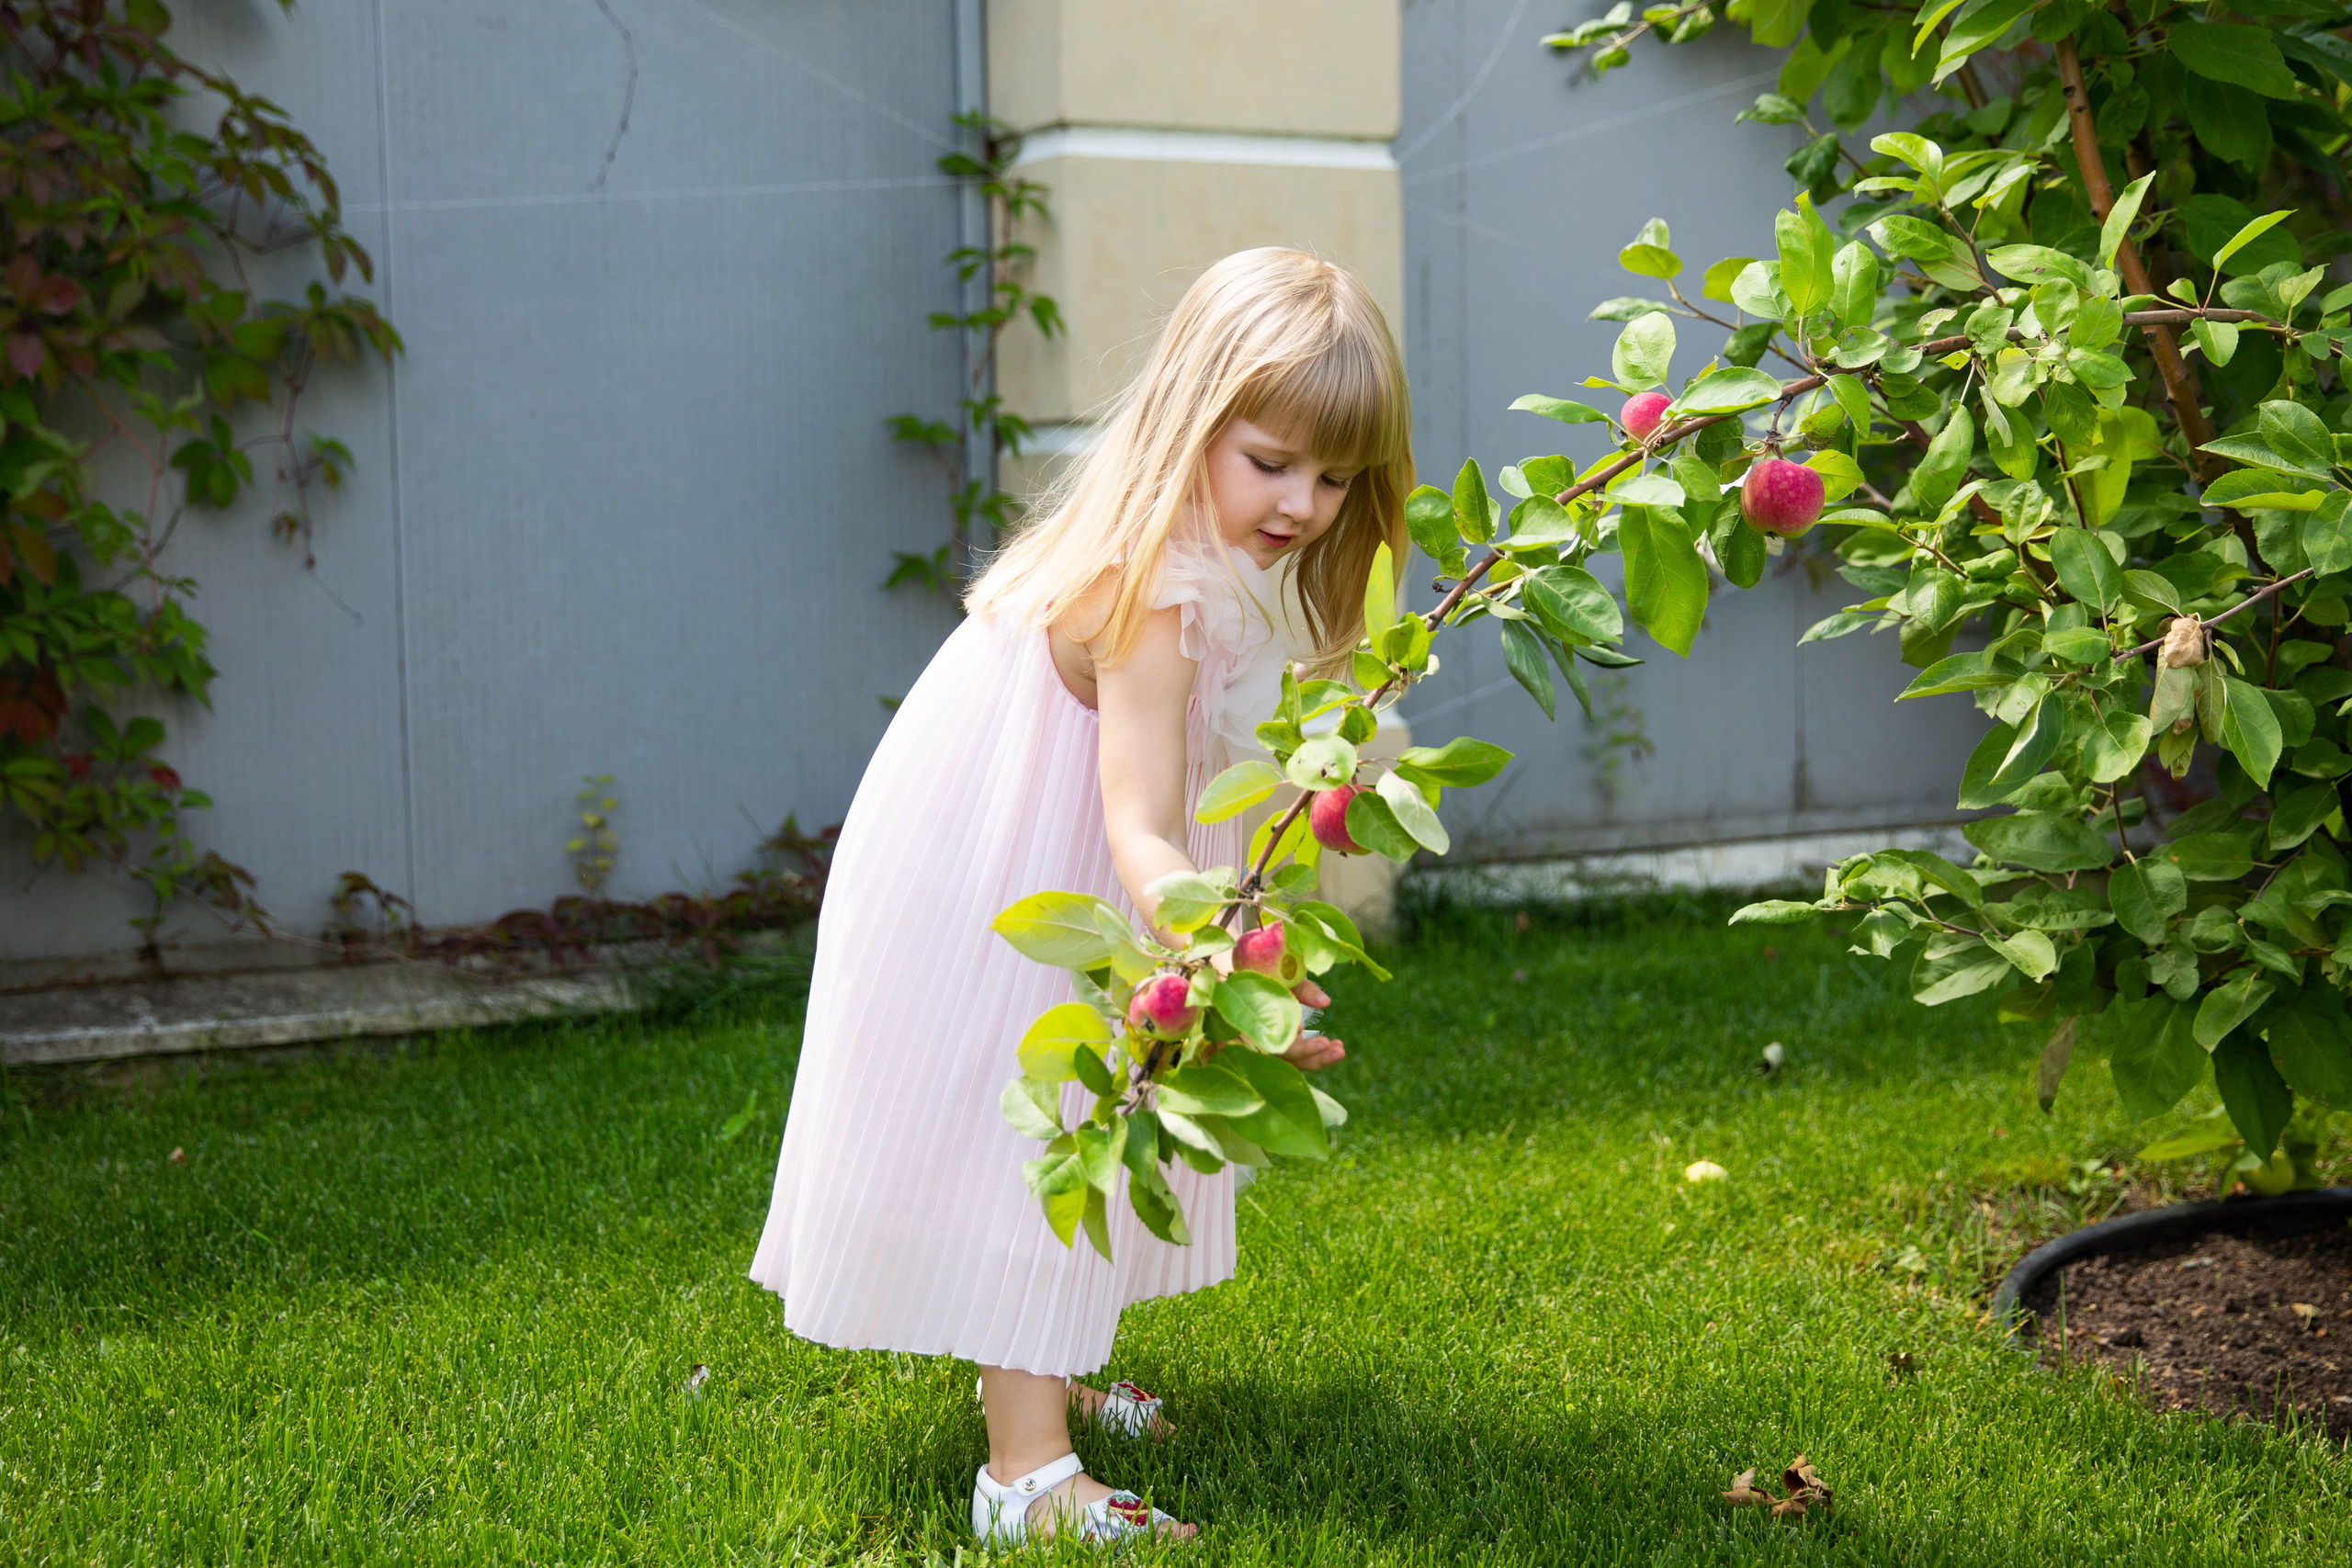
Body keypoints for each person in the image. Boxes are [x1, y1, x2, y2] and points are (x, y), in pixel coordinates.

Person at [748, 247, 1413, 1544]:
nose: (1304, 502)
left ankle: (1046, 1367)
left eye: (1334, 477)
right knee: (1043, 1133)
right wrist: (1240, 961)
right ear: (1192, 418)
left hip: (1033, 845)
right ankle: (1026, 1480)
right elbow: (1141, 828)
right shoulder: (1150, 591)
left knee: (1098, 1116)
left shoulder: (1181, 555)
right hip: (1004, 867)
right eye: (1272, 460)